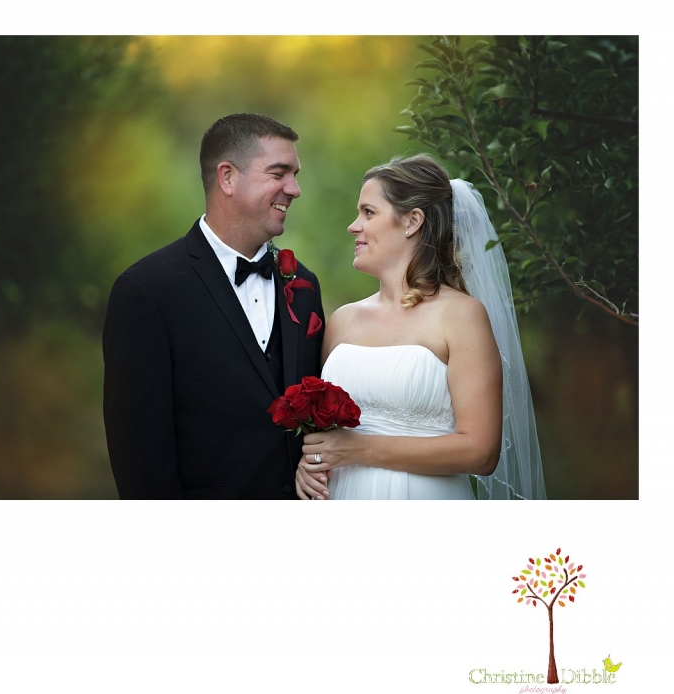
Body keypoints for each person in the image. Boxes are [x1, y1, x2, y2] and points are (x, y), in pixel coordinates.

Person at [295, 153, 546, 500]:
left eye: (368, 212)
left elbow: (481, 452)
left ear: (412, 221)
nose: (354, 226)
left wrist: (360, 449)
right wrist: (309, 462)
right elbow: (324, 431)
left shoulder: (462, 316)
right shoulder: (342, 321)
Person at [103, 113, 325, 499]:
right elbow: (140, 460)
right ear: (227, 177)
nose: (294, 189)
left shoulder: (303, 286)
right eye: (279, 173)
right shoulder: (147, 291)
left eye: (295, 175)